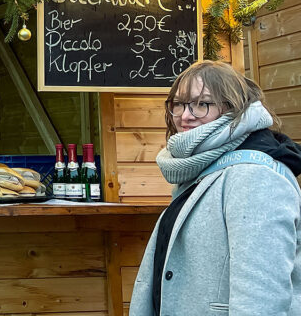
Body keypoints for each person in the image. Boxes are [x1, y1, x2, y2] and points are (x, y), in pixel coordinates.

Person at [128, 60, 301, 315]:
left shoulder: (256, 177)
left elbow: (261, 300)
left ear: (232, 108)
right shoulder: (207, 168)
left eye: (202, 104)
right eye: (178, 104)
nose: (186, 116)